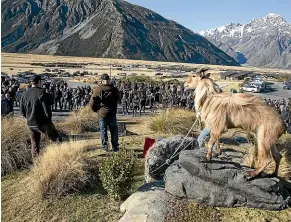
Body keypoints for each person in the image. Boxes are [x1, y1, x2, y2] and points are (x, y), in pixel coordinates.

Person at [20, 75, 62, 162]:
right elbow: (48, 106)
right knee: (57, 139)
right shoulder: (41, 92)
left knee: (35, 143)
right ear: (39, 82)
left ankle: (36, 163)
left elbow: (22, 111)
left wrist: (28, 118)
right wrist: (49, 120)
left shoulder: (24, 94)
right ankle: (60, 159)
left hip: (30, 124)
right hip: (42, 123)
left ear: (31, 82)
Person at [89, 73, 120, 152]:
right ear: (109, 80)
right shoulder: (114, 89)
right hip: (112, 113)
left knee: (103, 131)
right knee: (114, 130)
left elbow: (92, 102)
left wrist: (96, 109)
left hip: (102, 113)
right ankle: (115, 147)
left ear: (102, 81)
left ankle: (105, 147)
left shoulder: (98, 89)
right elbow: (119, 98)